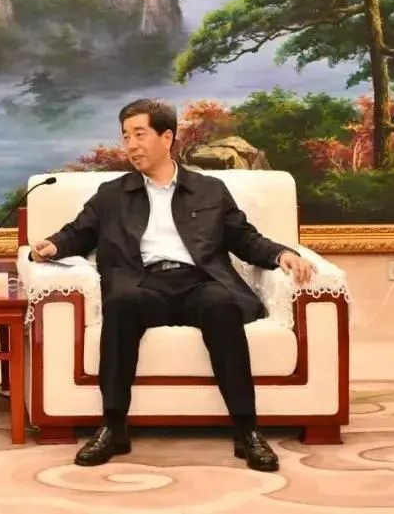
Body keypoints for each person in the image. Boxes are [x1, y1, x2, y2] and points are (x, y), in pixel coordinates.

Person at [31, 98, 315, 471]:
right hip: (142, 281)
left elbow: (245, 238)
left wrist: (281, 254)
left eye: (139, 134)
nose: (131, 145)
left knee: (222, 305)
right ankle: (113, 427)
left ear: (166, 138)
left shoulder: (209, 190)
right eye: (125, 136)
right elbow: (78, 232)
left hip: (199, 280)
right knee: (120, 304)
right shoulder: (111, 195)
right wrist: (52, 245)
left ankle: (247, 431)